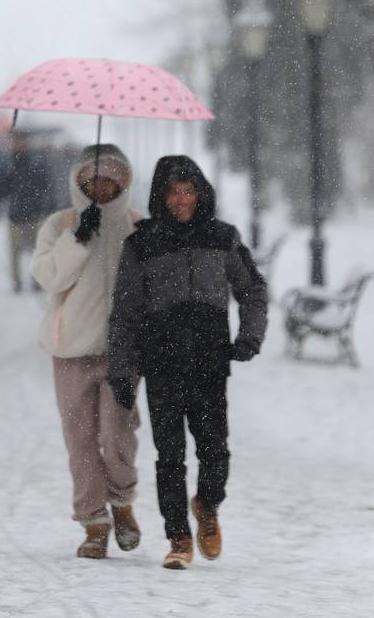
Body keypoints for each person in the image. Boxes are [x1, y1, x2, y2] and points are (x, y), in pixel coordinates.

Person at [107, 155, 268, 570]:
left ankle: (207, 505)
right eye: (174, 192)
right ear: (162, 196)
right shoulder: (141, 244)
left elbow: (252, 289)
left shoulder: (223, 237)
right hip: (160, 362)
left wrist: (250, 335)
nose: (182, 200)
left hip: (211, 360)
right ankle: (178, 536)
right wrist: (123, 371)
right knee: (170, 455)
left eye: (189, 191)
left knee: (215, 452)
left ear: (201, 193)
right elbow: (124, 314)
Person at [30, 144, 143, 560]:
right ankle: (93, 521)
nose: (101, 186)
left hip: (123, 352)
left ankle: (122, 502)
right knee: (79, 439)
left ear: (124, 181)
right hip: (71, 349)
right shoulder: (59, 224)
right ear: (79, 181)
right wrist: (77, 239)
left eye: (111, 178)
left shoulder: (139, 226)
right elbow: (48, 277)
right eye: (93, 179)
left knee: (117, 435)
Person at [0, 131, 53, 292]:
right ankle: (16, 280)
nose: (20, 144)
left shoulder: (36, 161)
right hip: (15, 214)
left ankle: (36, 279)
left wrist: (43, 204)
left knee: (37, 250)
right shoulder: (8, 163)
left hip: (34, 213)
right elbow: (2, 189)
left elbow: (45, 185)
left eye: (23, 141)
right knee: (15, 251)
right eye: (17, 141)